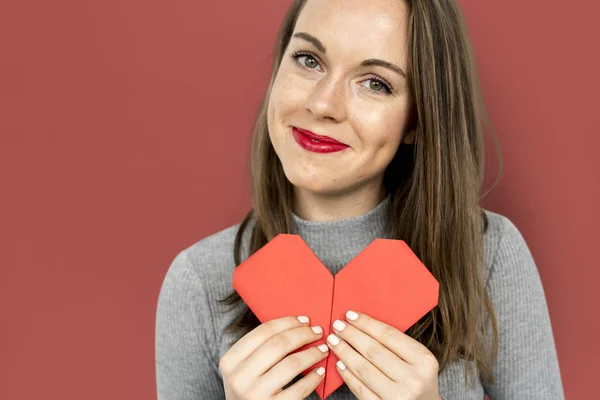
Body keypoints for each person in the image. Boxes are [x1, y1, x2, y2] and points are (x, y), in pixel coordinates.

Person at [155, 0, 565, 398]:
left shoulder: (489, 253)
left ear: (417, 121)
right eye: (308, 59)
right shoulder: (198, 281)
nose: (322, 104)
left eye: (375, 83)